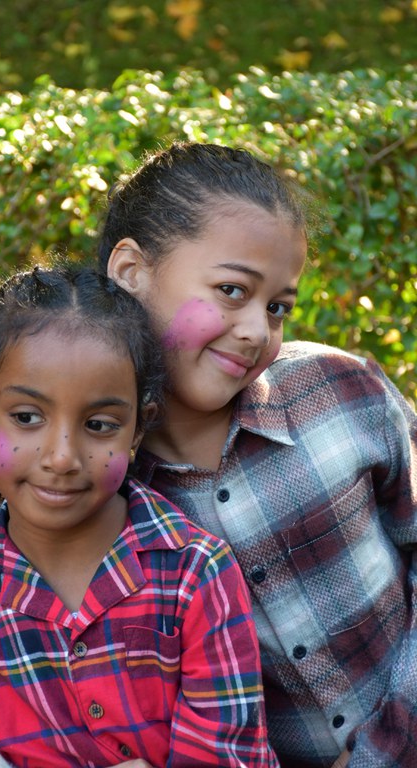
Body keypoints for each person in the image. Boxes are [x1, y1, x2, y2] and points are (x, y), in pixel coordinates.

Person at [98, 141, 417, 768]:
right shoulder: (103, 497)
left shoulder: (340, 392)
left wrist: (391, 743)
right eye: (230, 290)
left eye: (277, 308)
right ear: (132, 272)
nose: (255, 331)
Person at [0, 263, 278, 768]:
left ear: (138, 429)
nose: (62, 457)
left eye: (99, 425)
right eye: (26, 417)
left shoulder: (196, 575)